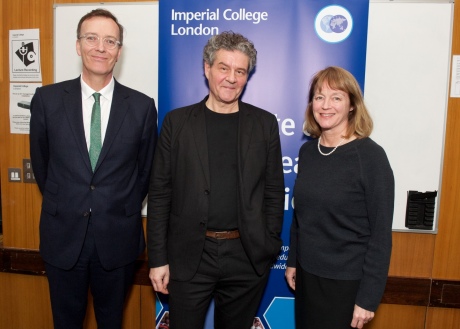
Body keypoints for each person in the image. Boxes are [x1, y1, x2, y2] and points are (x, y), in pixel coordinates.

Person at [29, 8, 157, 329]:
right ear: (78, 45)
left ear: (119, 51)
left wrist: (118, 205)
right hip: (63, 237)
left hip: (117, 240)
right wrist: (70, 200)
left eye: (110, 41)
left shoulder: (142, 107)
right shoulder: (47, 100)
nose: (101, 47)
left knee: (111, 322)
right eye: (92, 38)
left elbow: (145, 173)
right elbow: (43, 167)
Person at [147, 31, 284, 329]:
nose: (231, 78)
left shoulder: (264, 124)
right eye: (224, 68)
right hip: (189, 257)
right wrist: (158, 258)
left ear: (248, 76)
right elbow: (160, 194)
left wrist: (269, 243)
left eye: (240, 71)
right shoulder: (177, 123)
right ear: (207, 68)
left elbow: (274, 190)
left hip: (246, 258)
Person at [285, 66, 394, 329]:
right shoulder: (309, 152)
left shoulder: (370, 158)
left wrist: (368, 298)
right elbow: (301, 217)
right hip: (308, 277)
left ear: (352, 106)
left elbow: (380, 235)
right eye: (319, 97)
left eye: (336, 97)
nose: (325, 105)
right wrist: (292, 262)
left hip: (347, 284)